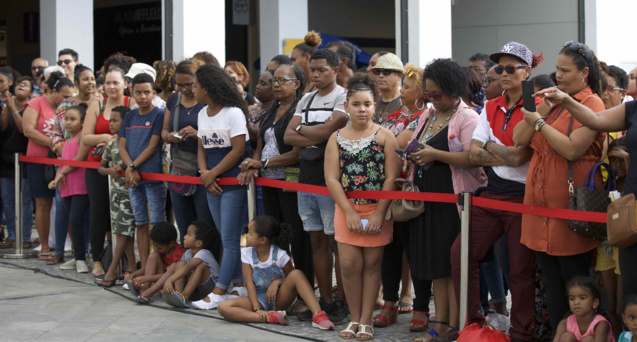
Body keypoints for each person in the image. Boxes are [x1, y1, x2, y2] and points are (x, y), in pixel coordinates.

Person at [451, 41, 543, 342]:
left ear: (526, 71)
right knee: (461, 254)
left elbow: (521, 158)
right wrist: (500, 150)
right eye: (498, 68)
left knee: (520, 271)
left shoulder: (536, 104)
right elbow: (475, 153)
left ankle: (521, 334)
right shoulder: (491, 105)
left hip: (523, 198)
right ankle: (472, 324)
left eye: (510, 67)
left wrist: (491, 148)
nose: (502, 73)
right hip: (491, 194)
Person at [513, 40, 607, 330]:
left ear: (584, 73)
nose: (559, 76)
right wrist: (539, 109)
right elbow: (518, 138)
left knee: (575, 284)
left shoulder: (592, 103)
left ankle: (586, 334)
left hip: (570, 208)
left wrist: (540, 124)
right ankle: (559, 335)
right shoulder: (551, 99)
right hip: (538, 207)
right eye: (557, 70)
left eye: (565, 71)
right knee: (552, 285)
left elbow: (571, 149)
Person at [406, 58, 487, 342]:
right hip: (427, 198)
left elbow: (473, 158)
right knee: (434, 264)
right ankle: (439, 323)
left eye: (436, 94)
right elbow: (418, 146)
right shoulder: (428, 114)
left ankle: (455, 324)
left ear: (454, 91)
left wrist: (435, 155)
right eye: (427, 94)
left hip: (452, 198)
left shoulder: (468, 118)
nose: (431, 99)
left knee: (450, 263)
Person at [324, 73, 400, 340]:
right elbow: (332, 178)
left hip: (377, 210)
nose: (362, 109)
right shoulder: (335, 138)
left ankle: (366, 320)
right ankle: (354, 318)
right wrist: (348, 211)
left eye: (367, 104)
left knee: (372, 263)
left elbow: (392, 177)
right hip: (346, 209)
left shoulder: (385, 136)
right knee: (348, 264)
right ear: (346, 106)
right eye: (356, 104)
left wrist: (379, 213)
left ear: (374, 106)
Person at [237, 63, 314, 316]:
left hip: (289, 183)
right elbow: (259, 143)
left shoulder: (300, 110)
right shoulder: (271, 110)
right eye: (275, 80)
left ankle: (305, 292)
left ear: (297, 84)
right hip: (268, 182)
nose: (277, 84)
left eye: (283, 80)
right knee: (276, 236)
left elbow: (297, 153)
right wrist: (253, 164)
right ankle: (280, 288)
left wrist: (264, 162)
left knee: (298, 238)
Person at [284, 48, 350, 324]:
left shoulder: (342, 96)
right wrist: (316, 135)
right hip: (306, 179)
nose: (316, 74)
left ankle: (345, 302)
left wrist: (305, 133)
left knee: (337, 243)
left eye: (322, 69)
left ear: (335, 70)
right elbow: (289, 136)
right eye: (313, 69)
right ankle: (326, 299)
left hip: (331, 179)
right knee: (316, 241)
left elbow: (330, 132)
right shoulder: (307, 98)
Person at [190, 64, 251, 310]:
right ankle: (237, 283)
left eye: (195, 85)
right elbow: (202, 146)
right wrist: (206, 173)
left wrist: (213, 173)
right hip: (212, 184)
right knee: (227, 236)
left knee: (230, 239)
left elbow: (238, 150)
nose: (193, 89)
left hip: (233, 184)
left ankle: (219, 290)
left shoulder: (233, 113)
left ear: (207, 88)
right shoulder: (202, 113)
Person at [373, 63, 425, 328]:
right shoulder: (396, 116)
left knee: (415, 252)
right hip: (389, 188)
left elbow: (397, 143)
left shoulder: (425, 116)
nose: (401, 91)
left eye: (407, 87)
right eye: (402, 86)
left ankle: (420, 308)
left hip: (412, 191)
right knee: (390, 249)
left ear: (422, 92)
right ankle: (390, 303)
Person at [217, 216, 335, 330]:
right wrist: (257, 308)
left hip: (280, 298)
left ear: (263, 240)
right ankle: (269, 317)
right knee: (223, 307)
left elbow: (292, 279)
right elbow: (249, 283)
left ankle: (318, 314)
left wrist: (277, 282)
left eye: (250, 233)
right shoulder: (247, 254)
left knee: (297, 273)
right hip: (258, 299)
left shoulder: (279, 255)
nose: (246, 236)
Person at [83, 67, 134, 277]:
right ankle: (97, 260)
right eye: (108, 83)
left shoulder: (132, 103)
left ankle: (124, 261)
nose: (111, 87)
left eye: (116, 82)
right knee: (99, 213)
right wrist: (107, 138)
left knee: (124, 217)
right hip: (98, 166)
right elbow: (85, 137)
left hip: (124, 168)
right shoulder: (98, 104)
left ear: (125, 84)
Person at [119, 73, 166, 281]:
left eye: (147, 92)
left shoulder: (158, 115)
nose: (143, 96)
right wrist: (130, 169)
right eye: (138, 92)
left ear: (154, 93)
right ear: (132, 93)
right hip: (133, 178)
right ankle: (145, 264)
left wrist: (132, 165)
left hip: (152, 176)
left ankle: (159, 266)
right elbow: (122, 145)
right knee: (140, 221)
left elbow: (153, 145)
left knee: (156, 221)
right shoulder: (129, 116)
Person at [161, 60, 214, 244]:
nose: (183, 89)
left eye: (188, 85)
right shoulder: (174, 100)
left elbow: (220, 136)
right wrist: (171, 137)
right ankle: (188, 266)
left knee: (204, 223)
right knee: (183, 224)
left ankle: (207, 267)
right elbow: (164, 132)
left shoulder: (207, 101)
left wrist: (197, 134)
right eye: (179, 84)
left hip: (204, 169)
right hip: (179, 168)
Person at [23, 71, 74, 259]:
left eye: (71, 96)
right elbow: (28, 130)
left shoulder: (71, 107)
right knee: (43, 204)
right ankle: (45, 246)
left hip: (64, 161)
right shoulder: (36, 103)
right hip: (39, 160)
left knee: (67, 204)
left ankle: (75, 247)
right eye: (65, 96)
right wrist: (54, 144)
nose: (69, 100)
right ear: (53, 91)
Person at [96, 106, 138, 287]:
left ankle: (112, 270)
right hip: (115, 194)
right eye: (110, 120)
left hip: (129, 192)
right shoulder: (112, 143)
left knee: (123, 231)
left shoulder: (132, 142)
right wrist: (110, 171)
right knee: (123, 232)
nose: (111, 124)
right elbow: (100, 167)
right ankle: (132, 267)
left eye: (115, 120)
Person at [47, 103, 90, 273]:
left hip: (80, 186)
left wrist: (60, 175)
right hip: (67, 187)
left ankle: (81, 257)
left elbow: (78, 160)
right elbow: (64, 164)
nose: (68, 123)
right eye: (66, 119)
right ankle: (78, 256)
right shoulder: (67, 140)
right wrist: (58, 177)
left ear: (82, 121)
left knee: (76, 220)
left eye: (73, 119)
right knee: (74, 221)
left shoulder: (81, 137)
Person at [149, 221, 220, 307]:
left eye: (189, 235)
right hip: (195, 290)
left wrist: (170, 280)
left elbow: (188, 268)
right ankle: (178, 294)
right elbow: (181, 270)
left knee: (200, 266)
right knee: (179, 264)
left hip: (209, 290)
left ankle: (184, 296)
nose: (184, 237)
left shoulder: (204, 253)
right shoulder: (188, 253)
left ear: (198, 243)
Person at [0, 73, 33, 249]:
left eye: (25, 85)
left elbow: (23, 130)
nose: (21, 86)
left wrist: (14, 108)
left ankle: (25, 237)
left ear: (31, 92)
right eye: (19, 84)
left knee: (25, 201)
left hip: (24, 159)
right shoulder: (8, 105)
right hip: (6, 160)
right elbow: (4, 127)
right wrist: (8, 107)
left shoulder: (31, 107)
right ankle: (12, 236)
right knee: (7, 199)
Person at [125, 222, 186, 299]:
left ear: (172, 244)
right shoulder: (160, 251)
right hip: (160, 281)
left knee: (173, 267)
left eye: (159, 248)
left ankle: (150, 291)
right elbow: (146, 268)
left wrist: (147, 278)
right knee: (153, 256)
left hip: (173, 282)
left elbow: (170, 274)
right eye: (154, 246)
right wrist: (133, 275)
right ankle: (146, 287)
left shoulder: (180, 253)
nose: (156, 249)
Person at [552, 277, 614, 342]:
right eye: (572, 299)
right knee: (567, 337)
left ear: (595, 303)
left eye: (582, 298)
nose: (576, 302)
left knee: (588, 340)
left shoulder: (600, 324)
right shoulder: (564, 323)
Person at [371, 53, 406, 124]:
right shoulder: (371, 100)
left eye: (386, 72)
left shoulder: (406, 103)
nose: (380, 75)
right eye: (377, 72)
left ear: (399, 76)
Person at [247, 69, 274, 144]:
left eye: (263, 84)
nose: (257, 86)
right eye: (258, 82)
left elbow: (255, 135)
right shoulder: (254, 109)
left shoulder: (274, 111)